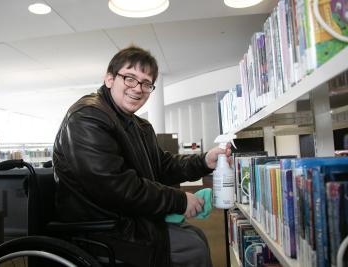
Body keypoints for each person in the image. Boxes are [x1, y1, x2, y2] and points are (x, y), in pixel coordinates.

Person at [53, 45, 231, 267]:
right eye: (129, 78)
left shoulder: (139, 125)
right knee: (193, 248)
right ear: (109, 79)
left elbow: (163, 165)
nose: (138, 88)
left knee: (197, 237)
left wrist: (205, 161)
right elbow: (114, 186)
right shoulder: (87, 117)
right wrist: (179, 200)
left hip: (129, 219)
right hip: (101, 228)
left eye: (146, 83)